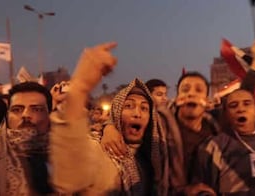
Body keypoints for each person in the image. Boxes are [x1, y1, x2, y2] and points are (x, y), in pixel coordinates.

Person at [50, 42, 167, 195]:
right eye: (129, 106)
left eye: (144, 108)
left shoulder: (151, 158)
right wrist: (79, 89)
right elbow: (69, 175)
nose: (137, 113)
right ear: (116, 113)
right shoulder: (99, 148)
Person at [192, 89, 255, 195]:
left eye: (247, 104)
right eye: (233, 106)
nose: (240, 109)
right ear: (227, 115)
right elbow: (200, 188)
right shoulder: (214, 146)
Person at [0, 81, 54, 195]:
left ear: (49, 115)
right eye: (17, 110)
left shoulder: (68, 154)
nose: (26, 115)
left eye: (36, 109)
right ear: (7, 115)